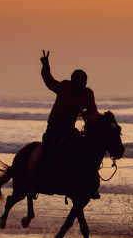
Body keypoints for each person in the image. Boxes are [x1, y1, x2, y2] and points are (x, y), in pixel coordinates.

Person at [38, 50, 101, 197]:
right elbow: (49, 81)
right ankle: (44, 179)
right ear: (73, 81)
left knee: (86, 151)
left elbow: (93, 112)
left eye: (83, 82)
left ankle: (90, 184)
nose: (81, 85)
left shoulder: (87, 93)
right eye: (78, 82)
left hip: (70, 130)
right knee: (50, 151)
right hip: (54, 129)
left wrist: (94, 123)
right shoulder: (64, 87)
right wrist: (46, 66)